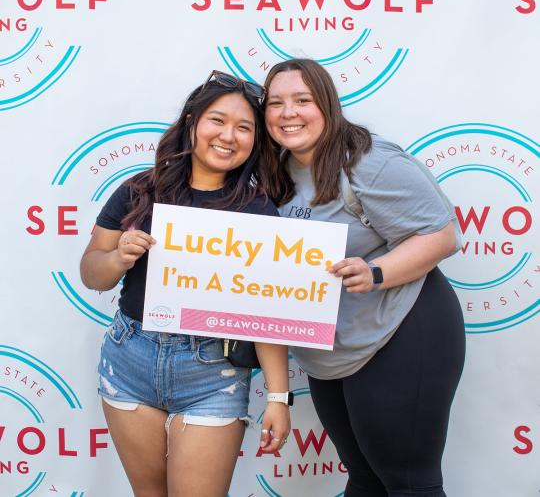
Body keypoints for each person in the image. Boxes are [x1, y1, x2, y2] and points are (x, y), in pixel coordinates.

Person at [80, 71, 290, 497]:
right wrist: (119, 256)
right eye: (218, 120)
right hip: (131, 357)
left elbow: (267, 314)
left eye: (244, 127)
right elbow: (91, 273)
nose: (229, 135)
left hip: (213, 370)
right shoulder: (139, 192)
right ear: (192, 122)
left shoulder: (257, 211)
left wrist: (278, 397)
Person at [263, 59, 465, 497]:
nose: (288, 112)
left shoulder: (368, 162)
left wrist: (376, 272)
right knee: (366, 481)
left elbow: (443, 235)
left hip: (401, 329)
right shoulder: (278, 168)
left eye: (302, 100)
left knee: (410, 484)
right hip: (332, 348)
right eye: (275, 103)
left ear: (328, 105)